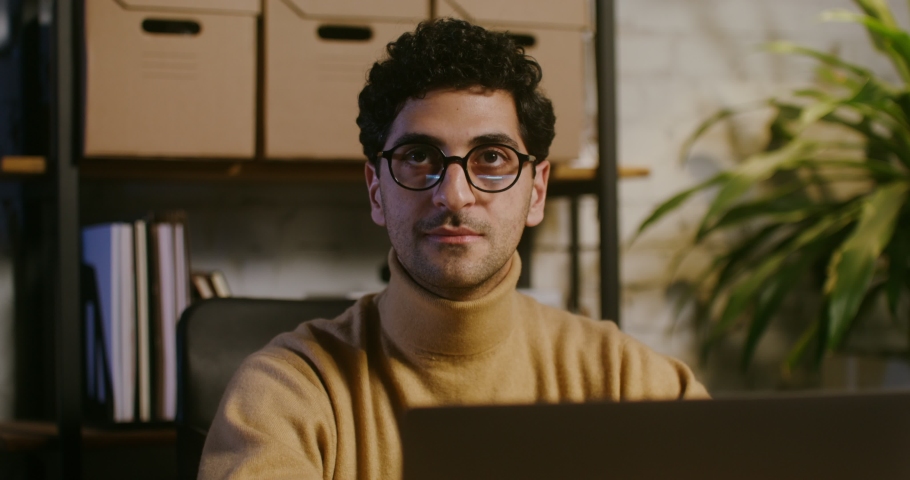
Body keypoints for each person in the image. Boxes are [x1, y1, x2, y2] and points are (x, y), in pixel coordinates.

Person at [199, 18, 709, 479]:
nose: (454, 194)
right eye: (419, 156)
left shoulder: (622, 381)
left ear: (536, 191)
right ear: (377, 191)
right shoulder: (290, 389)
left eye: (491, 157)